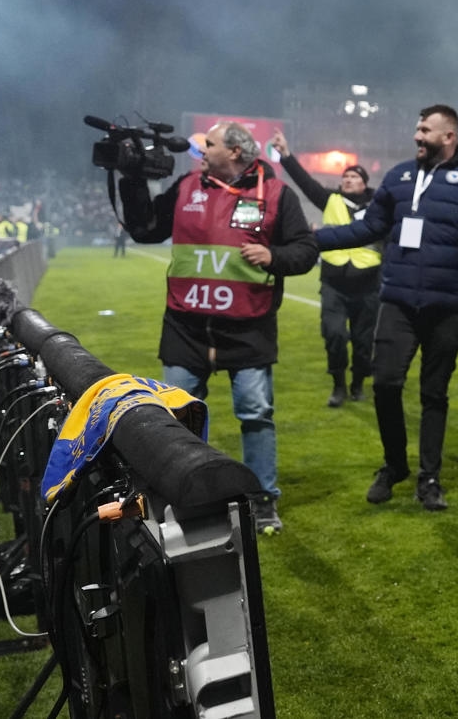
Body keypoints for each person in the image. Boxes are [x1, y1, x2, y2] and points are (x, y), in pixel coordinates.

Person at [117, 121, 318, 534]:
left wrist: (274, 255)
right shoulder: (188, 186)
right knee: (175, 417)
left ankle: (262, 501)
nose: (200, 149)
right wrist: (131, 180)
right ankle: (184, 495)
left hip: (248, 329)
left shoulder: (277, 194)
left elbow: (306, 250)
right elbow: (146, 229)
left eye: (209, 144)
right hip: (185, 327)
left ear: (236, 153)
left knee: (255, 414)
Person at [315, 104, 458, 512]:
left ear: (448, 136)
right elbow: (369, 227)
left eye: (425, 130)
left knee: (434, 393)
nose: (417, 136)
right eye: (417, 128)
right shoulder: (398, 176)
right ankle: (394, 464)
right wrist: (314, 241)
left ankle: (429, 477)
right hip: (397, 299)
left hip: (448, 304)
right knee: (385, 383)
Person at [271, 129, 382, 407]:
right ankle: (338, 386)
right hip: (334, 282)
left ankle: (358, 384)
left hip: (369, 283)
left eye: (354, 177)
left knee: (363, 341)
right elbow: (305, 182)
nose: (347, 180)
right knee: (333, 335)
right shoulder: (330, 199)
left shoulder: (379, 205)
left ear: (364, 183)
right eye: (344, 177)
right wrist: (286, 155)